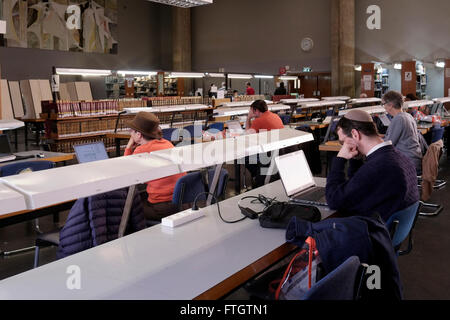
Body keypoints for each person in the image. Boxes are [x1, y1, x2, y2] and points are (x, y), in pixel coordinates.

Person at [325, 109, 419, 222]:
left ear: (355, 134)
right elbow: (358, 184)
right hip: (390, 231)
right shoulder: (399, 157)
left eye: (343, 141)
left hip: (371, 234)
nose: (343, 146)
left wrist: (340, 159)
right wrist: (356, 158)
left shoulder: (377, 167)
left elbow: (334, 200)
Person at [124, 112, 185, 221]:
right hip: (182, 201)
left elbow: (127, 173)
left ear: (139, 134)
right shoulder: (167, 143)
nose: (130, 134)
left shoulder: (141, 150)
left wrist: (128, 148)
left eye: (131, 131)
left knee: (127, 207)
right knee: (140, 196)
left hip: (163, 208)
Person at [245, 100, 284, 188]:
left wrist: (248, 118)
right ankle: (259, 177)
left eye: (250, 110)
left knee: (245, 157)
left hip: (269, 154)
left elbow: (247, 136)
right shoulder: (275, 116)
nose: (250, 112)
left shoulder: (258, 121)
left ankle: (258, 178)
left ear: (255, 110)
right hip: (279, 151)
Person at [382, 90, 423, 174]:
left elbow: (388, 144)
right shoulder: (407, 115)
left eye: (383, 104)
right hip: (414, 159)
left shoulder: (398, 119)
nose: (384, 107)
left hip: (407, 162)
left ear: (390, 105)